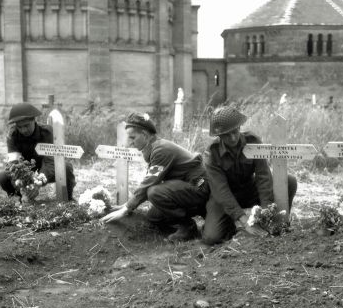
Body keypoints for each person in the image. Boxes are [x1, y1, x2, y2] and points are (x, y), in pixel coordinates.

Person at [101, 112, 210, 242]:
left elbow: (150, 182)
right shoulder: (154, 147)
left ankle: (188, 226)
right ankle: (189, 219)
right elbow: (150, 179)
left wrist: (126, 208)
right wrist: (128, 205)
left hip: (199, 187)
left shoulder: (161, 150)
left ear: (145, 135)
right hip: (185, 187)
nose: (130, 143)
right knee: (154, 217)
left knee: (154, 192)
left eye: (132, 137)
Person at [202, 105, 297, 245]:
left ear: (239, 127)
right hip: (224, 197)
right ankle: (230, 225)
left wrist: (267, 213)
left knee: (288, 180)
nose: (233, 137)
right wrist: (243, 220)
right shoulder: (212, 154)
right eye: (227, 135)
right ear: (219, 136)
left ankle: (280, 221)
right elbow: (221, 191)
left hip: (248, 190)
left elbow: (263, 177)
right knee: (211, 238)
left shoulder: (253, 141)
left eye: (234, 131)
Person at [0, 102, 76, 201]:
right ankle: (18, 199)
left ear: (34, 120)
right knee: (3, 176)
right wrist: (22, 184)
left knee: (66, 167)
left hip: (45, 169)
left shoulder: (48, 132)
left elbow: (50, 161)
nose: (23, 130)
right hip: (26, 172)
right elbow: (14, 164)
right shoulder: (12, 135)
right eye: (20, 127)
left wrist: (38, 182)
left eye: (26, 125)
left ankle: (68, 199)